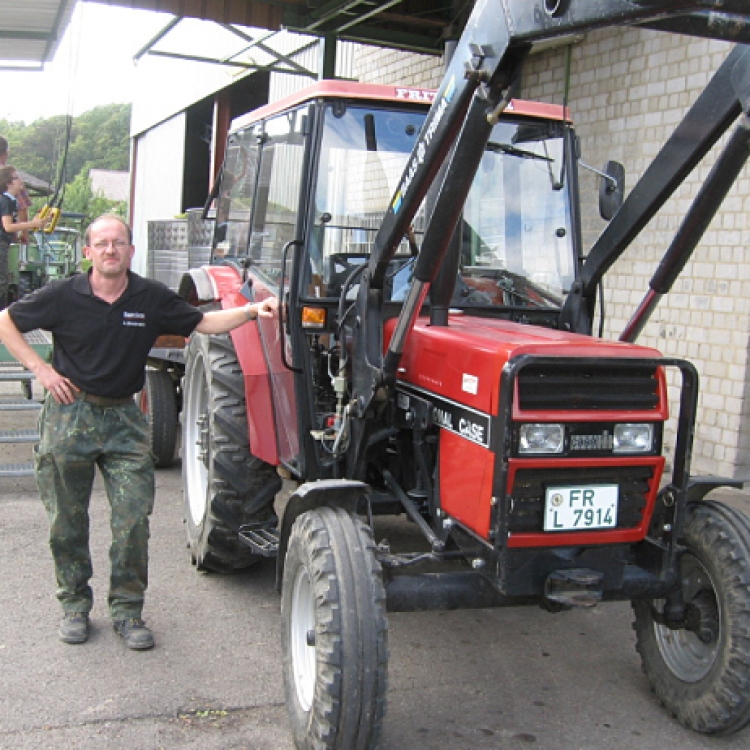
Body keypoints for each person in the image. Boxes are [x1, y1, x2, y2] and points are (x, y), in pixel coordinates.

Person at [0, 213, 278, 650]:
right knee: (66, 521)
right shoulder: (63, 295)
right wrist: (40, 370)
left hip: (125, 422)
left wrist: (249, 310)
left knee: (132, 521)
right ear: (87, 252)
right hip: (69, 415)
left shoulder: (149, 297)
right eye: (102, 243)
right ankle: (74, 606)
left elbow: (202, 323)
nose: (111, 250)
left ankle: (128, 611)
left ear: (131, 251)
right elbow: (6, 320)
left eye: (119, 243)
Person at [0, 166, 48, 308]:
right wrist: (31, 224)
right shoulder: (5, 201)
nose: (21, 181)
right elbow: (7, 226)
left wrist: (32, 223)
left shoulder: (10, 201)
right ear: (8, 183)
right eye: (16, 178)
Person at [0, 137, 32, 241]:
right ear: (6, 153)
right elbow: (22, 207)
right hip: (5, 237)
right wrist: (24, 232)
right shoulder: (11, 176)